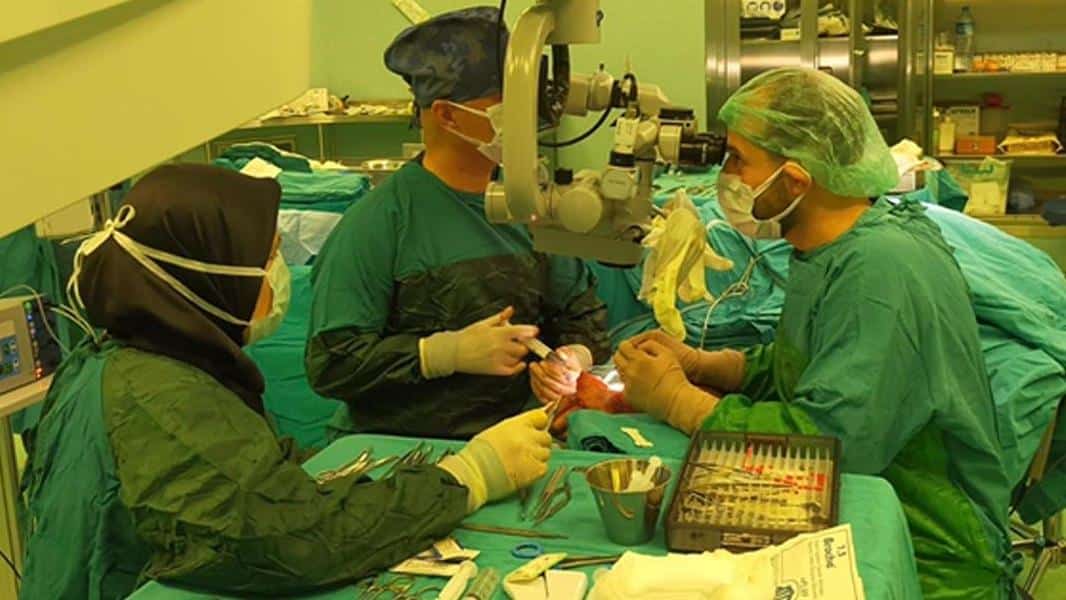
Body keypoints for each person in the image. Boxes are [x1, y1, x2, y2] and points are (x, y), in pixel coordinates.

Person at [19, 164, 553, 599]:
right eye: (269, 257)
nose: (278, 272)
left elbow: (246, 480)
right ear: (209, 276)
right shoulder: (162, 398)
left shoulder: (131, 359)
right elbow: (293, 539)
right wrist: (467, 477)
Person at [614, 68, 1016, 600]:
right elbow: (817, 363)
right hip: (869, 509)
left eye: (738, 159)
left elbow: (832, 440)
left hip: (927, 551)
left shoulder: (880, 270)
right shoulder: (831, 246)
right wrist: (713, 366)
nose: (725, 176)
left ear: (796, 181)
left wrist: (678, 401)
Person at [306, 7, 609, 439]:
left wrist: (571, 358)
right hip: (406, 448)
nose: (525, 120)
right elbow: (332, 364)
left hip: (520, 439)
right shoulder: (380, 223)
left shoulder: (529, 204)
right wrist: (442, 354)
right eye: (506, 106)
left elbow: (583, 315)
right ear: (447, 116)